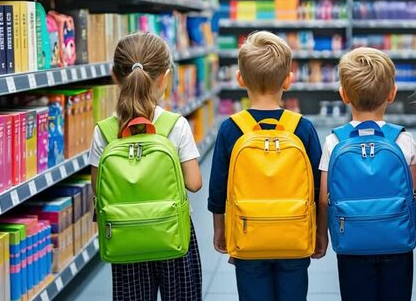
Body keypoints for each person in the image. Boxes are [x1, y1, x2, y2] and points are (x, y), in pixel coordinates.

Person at [208, 31, 322, 301]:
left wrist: (221, 230)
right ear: (288, 80)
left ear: (240, 79)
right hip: (294, 236)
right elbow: (318, 186)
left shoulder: (231, 128)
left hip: (248, 237)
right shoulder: (302, 128)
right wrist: (318, 232)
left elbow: (218, 187)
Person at [89, 32, 203, 301]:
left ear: (115, 77)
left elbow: (98, 188)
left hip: (125, 238)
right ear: (165, 77)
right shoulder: (176, 125)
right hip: (172, 234)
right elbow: (194, 183)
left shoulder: (104, 132)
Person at [315, 47, 416, 301]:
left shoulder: (334, 142)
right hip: (397, 241)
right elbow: (415, 193)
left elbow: (323, 198)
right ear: (392, 93)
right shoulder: (403, 140)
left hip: (352, 241)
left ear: (344, 96)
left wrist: (320, 235)